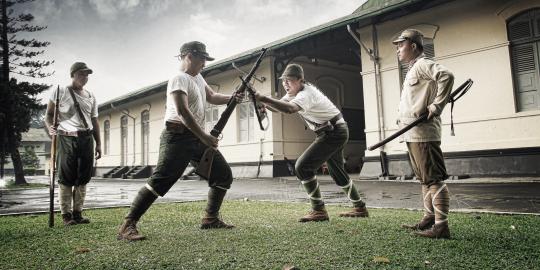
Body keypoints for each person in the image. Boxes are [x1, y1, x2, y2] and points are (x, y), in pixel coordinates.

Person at [117, 41, 241, 241]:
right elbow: (183, 112)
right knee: (161, 180)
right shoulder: (178, 79)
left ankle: (210, 218)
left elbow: (212, 96)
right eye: (202, 58)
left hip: (195, 137)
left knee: (223, 174)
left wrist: (233, 97)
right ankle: (127, 225)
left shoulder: (198, 77)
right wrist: (205, 137)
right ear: (189, 56)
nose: (204, 63)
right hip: (177, 136)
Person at [253, 63, 369, 222]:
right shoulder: (295, 92)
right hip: (334, 130)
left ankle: (318, 210)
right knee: (337, 172)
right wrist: (264, 105)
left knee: (302, 166)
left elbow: (289, 109)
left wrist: (263, 98)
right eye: (284, 81)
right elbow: (281, 106)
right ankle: (360, 207)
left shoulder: (306, 93)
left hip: (333, 131)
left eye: (290, 80)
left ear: (300, 80)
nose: (286, 84)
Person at [393, 29, 454, 239]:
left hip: (424, 134)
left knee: (433, 178)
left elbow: (447, 75)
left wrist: (437, 106)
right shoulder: (412, 69)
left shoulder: (422, 64)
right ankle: (429, 218)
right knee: (424, 179)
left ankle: (441, 226)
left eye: (401, 45)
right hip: (412, 133)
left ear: (413, 46)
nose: (398, 49)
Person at [44, 62, 102, 226]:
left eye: (87, 74)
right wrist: (50, 129)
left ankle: (77, 213)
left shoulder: (91, 96)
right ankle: (66, 216)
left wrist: (98, 144)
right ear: (73, 74)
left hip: (86, 139)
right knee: (66, 177)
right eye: (82, 74)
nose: (85, 77)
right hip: (66, 138)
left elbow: (95, 120)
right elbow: (48, 115)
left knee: (83, 177)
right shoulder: (60, 91)